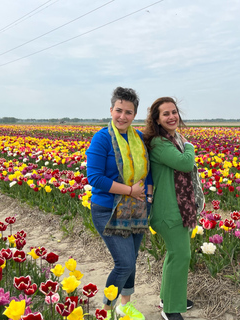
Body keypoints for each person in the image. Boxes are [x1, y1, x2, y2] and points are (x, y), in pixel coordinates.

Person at [86, 87, 153, 320]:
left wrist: (149, 196)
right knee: (124, 263)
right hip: (107, 208)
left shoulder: (139, 139)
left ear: (135, 115)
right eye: (119, 110)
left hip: (138, 208)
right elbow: (94, 177)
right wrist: (130, 190)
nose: (122, 116)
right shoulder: (102, 138)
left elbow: (149, 171)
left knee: (131, 261)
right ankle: (104, 311)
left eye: (128, 112)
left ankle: (125, 305)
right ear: (111, 110)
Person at [143, 97, 204, 320]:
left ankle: (167, 297)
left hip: (181, 207)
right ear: (157, 119)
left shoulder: (172, 139)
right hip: (169, 210)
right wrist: (189, 146)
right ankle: (170, 309)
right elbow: (185, 163)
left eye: (174, 112)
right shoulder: (160, 143)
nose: (172, 117)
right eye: (165, 114)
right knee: (180, 255)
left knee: (174, 255)